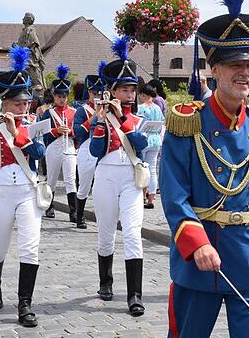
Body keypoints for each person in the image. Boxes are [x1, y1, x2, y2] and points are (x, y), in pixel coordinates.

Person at [160, 0, 249, 337]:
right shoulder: (187, 123)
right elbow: (174, 194)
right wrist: (195, 242)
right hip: (199, 260)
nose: (245, 73)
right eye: (235, 65)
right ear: (214, 69)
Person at [0, 45, 46, 327]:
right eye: (17, 104)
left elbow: (38, 154)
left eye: (25, 103)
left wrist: (18, 133)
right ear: (4, 103)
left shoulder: (33, 123)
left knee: (30, 247)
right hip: (0, 190)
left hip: (27, 190)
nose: (23, 107)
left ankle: (25, 304)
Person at [89, 36, 148, 316]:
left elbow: (142, 144)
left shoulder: (138, 120)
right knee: (105, 233)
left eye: (132, 90)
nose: (128, 95)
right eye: (123, 90)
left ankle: (134, 295)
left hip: (130, 178)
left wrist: (121, 119)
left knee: (133, 233)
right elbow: (95, 148)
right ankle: (106, 282)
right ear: (112, 91)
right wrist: (102, 121)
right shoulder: (101, 116)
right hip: (106, 176)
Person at [39, 63, 77, 220]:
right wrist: (56, 131)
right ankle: (49, 206)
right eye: (59, 96)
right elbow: (42, 133)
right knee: (52, 178)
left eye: (64, 96)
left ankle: (74, 211)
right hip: (53, 147)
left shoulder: (74, 112)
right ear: (54, 96)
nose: (62, 99)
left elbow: (79, 132)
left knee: (70, 179)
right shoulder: (49, 113)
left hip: (69, 146)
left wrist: (72, 132)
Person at [73, 63, 106, 229]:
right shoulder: (82, 110)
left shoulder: (108, 108)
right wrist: (93, 118)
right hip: (86, 147)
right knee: (84, 184)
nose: (98, 96)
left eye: (100, 92)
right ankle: (80, 216)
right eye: (94, 93)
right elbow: (77, 132)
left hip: (103, 148)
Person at [137, 83, 164, 209]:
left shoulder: (141, 108)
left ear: (143, 94)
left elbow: (138, 125)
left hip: (144, 139)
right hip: (156, 140)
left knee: (142, 168)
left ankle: (142, 196)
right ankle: (151, 198)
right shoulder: (157, 108)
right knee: (152, 170)